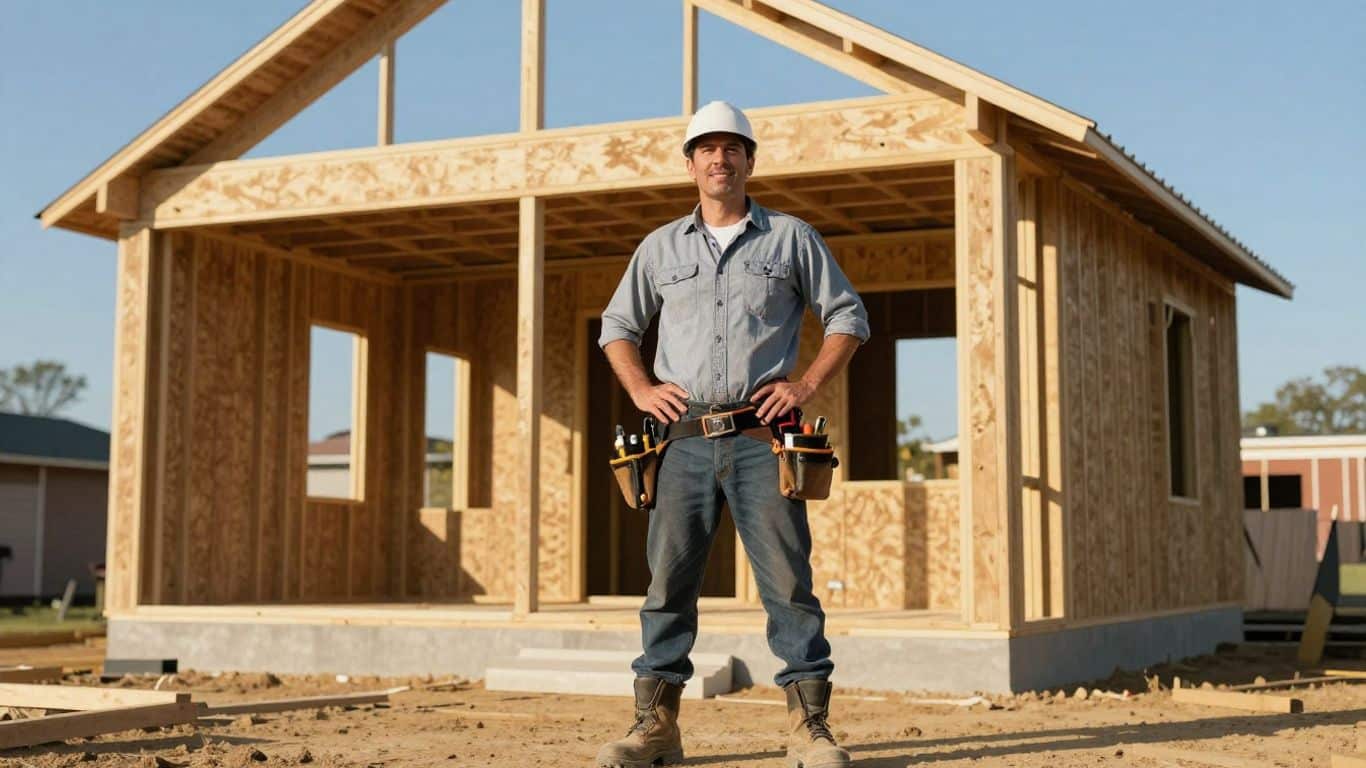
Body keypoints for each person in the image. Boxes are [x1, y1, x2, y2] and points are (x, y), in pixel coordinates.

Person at [595, 100, 869, 768]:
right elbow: (617, 328)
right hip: (682, 443)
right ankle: (654, 728)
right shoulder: (660, 247)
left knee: (788, 584)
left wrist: (804, 387)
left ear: (749, 160)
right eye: (707, 149)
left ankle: (809, 729)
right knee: (668, 587)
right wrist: (640, 389)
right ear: (690, 164)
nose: (720, 159)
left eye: (732, 148)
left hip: (761, 441)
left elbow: (848, 316)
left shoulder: (790, 238)